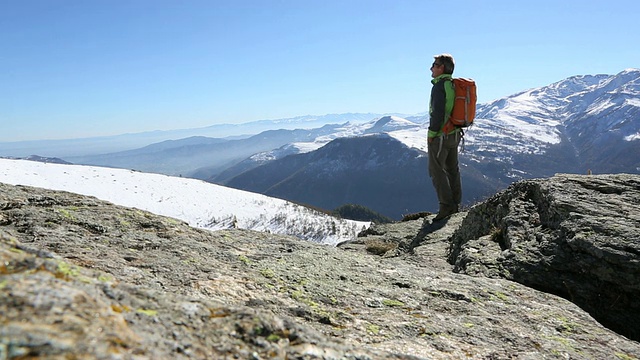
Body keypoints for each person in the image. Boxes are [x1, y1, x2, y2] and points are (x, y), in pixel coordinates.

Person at [427, 53, 462, 221]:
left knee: (436, 170)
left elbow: (438, 113)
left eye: (434, 65)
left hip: (441, 134)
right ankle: (455, 204)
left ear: (441, 68)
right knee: (452, 169)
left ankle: (446, 206)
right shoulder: (453, 85)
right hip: (454, 133)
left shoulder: (439, 86)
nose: (431, 68)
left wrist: (431, 134)